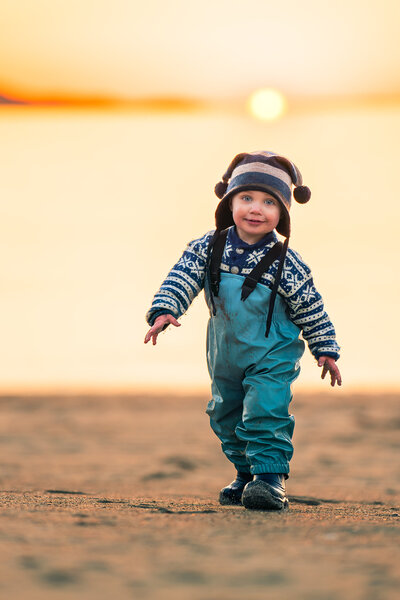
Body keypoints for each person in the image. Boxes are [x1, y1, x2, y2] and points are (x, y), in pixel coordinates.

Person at [144, 150, 342, 511]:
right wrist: (165, 309)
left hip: (272, 355)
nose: (256, 208)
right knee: (225, 414)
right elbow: (182, 276)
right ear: (229, 201)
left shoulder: (288, 263)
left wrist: (325, 348)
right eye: (246, 198)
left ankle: (269, 479)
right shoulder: (208, 246)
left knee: (266, 409)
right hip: (226, 354)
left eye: (269, 202)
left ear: (282, 213)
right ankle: (246, 472)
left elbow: (311, 307)